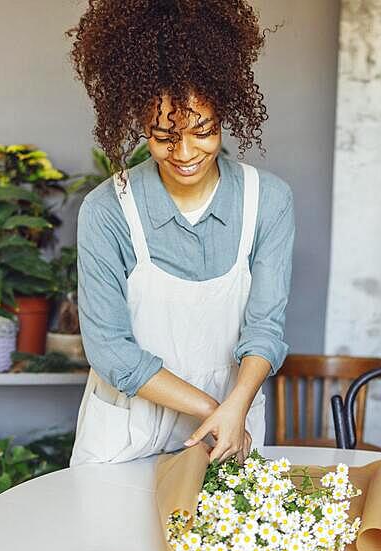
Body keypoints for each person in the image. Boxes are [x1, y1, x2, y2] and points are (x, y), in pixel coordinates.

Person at [66, 0, 295, 467]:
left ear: (225, 114)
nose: (185, 152)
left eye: (203, 130)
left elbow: (265, 330)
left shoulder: (267, 201)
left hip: (230, 432)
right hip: (124, 437)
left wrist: (237, 407)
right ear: (140, 124)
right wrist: (214, 409)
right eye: (164, 135)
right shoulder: (107, 211)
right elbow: (111, 352)